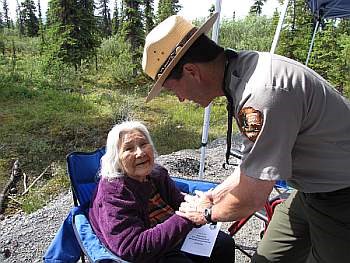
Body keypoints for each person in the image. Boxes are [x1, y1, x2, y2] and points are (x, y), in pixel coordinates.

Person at [141, 13, 350, 263]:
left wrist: (206, 214)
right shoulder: (242, 71)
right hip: (308, 191)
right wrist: (213, 195)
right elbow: (253, 167)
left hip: (340, 194)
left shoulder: (260, 94)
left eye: (173, 89)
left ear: (191, 71)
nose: (181, 98)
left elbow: (251, 197)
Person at [88, 120, 235, 263]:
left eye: (144, 144)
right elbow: (131, 247)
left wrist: (198, 204)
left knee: (224, 244)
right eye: (129, 149)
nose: (140, 153)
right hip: (144, 248)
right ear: (116, 159)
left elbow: (177, 200)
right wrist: (189, 217)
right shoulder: (114, 192)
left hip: (167, 233)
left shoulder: (156, 174)